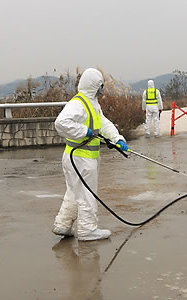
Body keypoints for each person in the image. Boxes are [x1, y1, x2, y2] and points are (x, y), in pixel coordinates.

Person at [52, 68, 128, 241]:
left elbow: (103, 123)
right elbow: (61, 123)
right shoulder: (78, 103)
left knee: (74, 192)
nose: (103, 89)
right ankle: (88, 230)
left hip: (78, 157)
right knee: (87, 193)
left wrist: (117, 139)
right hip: (81, 158)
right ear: (94, 85)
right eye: (101, 85)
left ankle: (62, 224)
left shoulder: (91, 103)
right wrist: (83, 131)